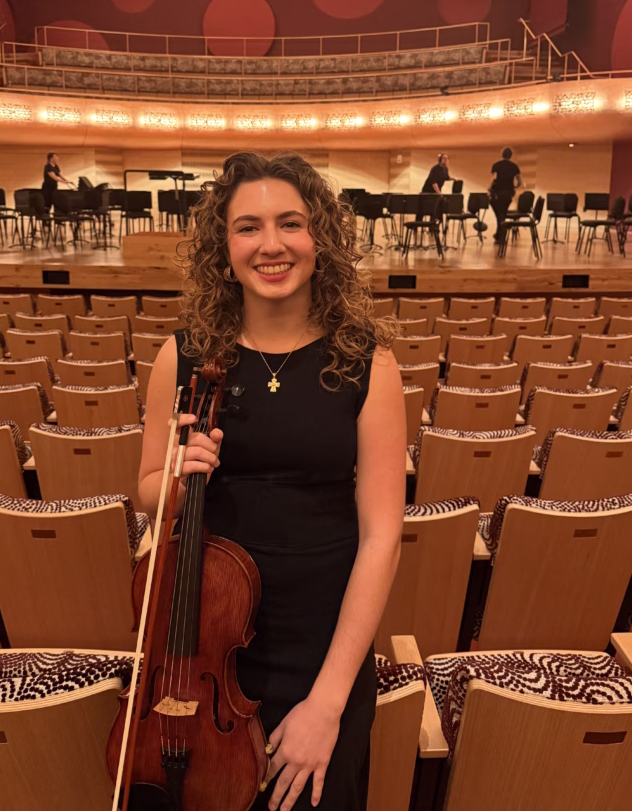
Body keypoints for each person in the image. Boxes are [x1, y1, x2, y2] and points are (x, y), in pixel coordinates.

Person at [139, 152, 405, 811]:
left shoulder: (371, 366)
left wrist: (330, 700)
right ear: (222, 247)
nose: (272, 244)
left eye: (291, 223)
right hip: (203, 641)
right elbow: (147, 491)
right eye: (248, 227)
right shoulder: (184, 356)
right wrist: (176, 477)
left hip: (323, 646)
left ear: (321, 237)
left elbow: (381, 538)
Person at [489, 146, 522, 243]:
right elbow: (519, 181)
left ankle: (500, 235)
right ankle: (499, 234)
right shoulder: (514, 166)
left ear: (502, 154)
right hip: (508, 193)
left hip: (497, 193)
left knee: (499, 214)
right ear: (511, 156)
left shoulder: (496, 165)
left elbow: (493, 178)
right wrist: (514, 187)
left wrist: (489, 189)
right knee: (502, 214)